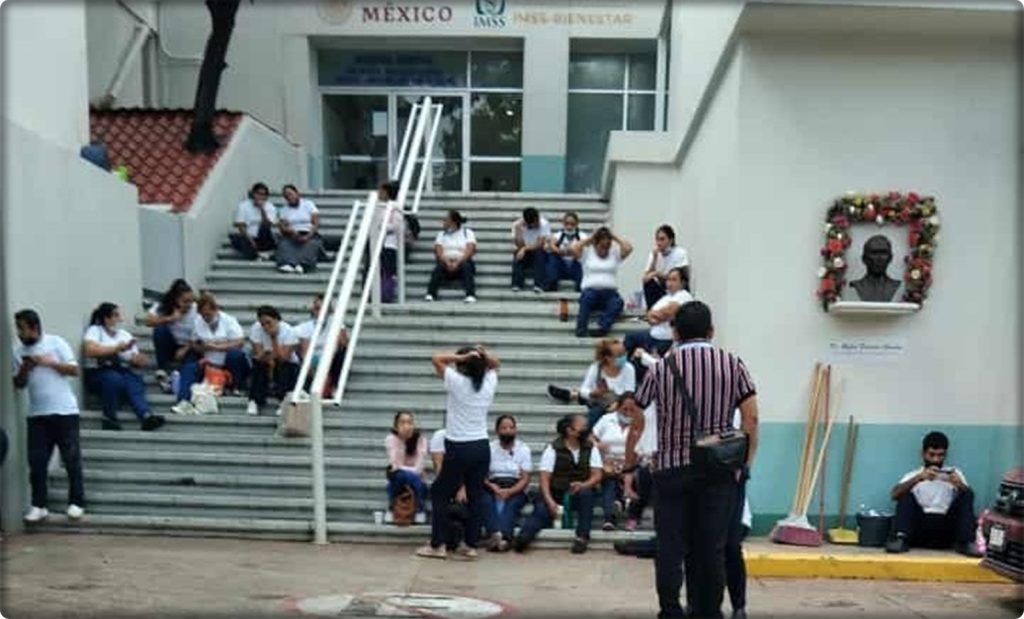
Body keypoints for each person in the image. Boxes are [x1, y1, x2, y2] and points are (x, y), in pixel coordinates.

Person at [629, 301, 760, 619]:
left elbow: (637, 416)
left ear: (675, 332)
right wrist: (744, 463)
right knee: (712, 547)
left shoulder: (661, 368)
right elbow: (751, 418)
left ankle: (671, 609)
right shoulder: (733, 364)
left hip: (671, 469)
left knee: (670, 547)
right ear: (711, 331)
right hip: (718, 470)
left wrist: (630, 464)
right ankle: (708, 610)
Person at [416, 346, 499, 560]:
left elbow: (436, 358)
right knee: (476, 496)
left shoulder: (457, 382)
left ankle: (438, 544)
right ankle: (470, 546)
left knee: (440, 493)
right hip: (481, 446)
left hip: (458, 446)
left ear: (462, 366)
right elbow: (496, 364)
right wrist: (483, 355)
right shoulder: (489, 382)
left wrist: (462, 356)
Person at [12, 309, 85, 523]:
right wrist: (25, 368)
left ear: (35, 328)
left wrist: (48, 362)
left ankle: (76, 502)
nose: (19, 333)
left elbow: (74, 370)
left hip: (65, 411)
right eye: (17, 329)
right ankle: (39, 505)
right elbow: (18, 384)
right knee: (37, 462)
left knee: (71, 458)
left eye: (22, 329)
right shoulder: (18, 351)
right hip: (37, 414)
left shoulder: (56, 343)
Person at [513, 414, 602, 554]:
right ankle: (523, 538)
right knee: (542, 511)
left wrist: (583, 485)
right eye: (583, 427)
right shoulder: (553, 448)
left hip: (579, 491)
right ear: (569, 430)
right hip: (555, 491)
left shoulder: (590, 448)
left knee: (587, 495)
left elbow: (597, 475)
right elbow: (544, 479)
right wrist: (550, 501)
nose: (586, 429)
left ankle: (582, 537)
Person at [886, 431, 980, 557]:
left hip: (946, 529)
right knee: (905, 494)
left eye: (940, 455)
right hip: (920, 528)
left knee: (967, 494)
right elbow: (894, 495)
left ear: (945, 455)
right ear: (923, 454)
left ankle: (966, 542)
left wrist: (959, 485)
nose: (936, 460)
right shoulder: (914, 475)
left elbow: (970, 497)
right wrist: (918, 479)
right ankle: (900, 539)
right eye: (931, 455)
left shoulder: (955, 474)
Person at [82, 303, 165, 431]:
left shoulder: (124, 334)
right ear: (106, 318)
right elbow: (90, 350)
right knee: (114, 379)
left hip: (120, 370)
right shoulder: (95, 330)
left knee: (133, 380)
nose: (120, 319)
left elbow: (134, 359)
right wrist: (117, 349)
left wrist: (138, 359)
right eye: (116, 316)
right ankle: (109, 418)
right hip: (98, 372)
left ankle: (146, 416)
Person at [172, 292, 249, 415]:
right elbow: (193, 342)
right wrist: (201, 348)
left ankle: (236, 386)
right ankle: (183, 401)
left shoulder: (228, 321)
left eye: (208, 314)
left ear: (215, 310)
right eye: (203, 315)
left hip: (228, 364)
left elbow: (240, 342)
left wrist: (217, 347)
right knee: (189, 368)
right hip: (209, 364)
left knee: (235, 354)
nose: (205, 318)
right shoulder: (198, 322)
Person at [547, 338, 636, 429]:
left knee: (596, 412)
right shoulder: (596, 368)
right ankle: (571, 395)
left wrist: (618, 404)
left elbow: (630, 392)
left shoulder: (628, 368)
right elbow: (584, 389)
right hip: (598, 400)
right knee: (594, 408)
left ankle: (571, 394)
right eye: (619, 355)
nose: (623, 357)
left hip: (618, 403)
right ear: (608, 358)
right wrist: (593, 393)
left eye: (624, 353)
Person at [625, 267, 694, 379]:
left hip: (665, 340)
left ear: (682, 283)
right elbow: (651, 316)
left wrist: (657, 315)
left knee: (642, 364)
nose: (669, 283)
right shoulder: (667, 297)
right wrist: (656, 316)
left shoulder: (684, 295)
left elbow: (668, 312)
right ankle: (625, 371)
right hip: (652, 334)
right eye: (668, 280)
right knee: (630, 338)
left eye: (674, 280)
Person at [570, 226, 633, 337]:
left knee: (618, 302)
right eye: (602, 246)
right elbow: (573, 248)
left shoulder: (614, 253)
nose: (605, 249)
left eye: (607, 246)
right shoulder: (587, 253)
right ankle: (581, 330)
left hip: (609, 294)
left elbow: (629, 248)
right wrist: (591, 238)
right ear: (595, 244)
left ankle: (602, 327)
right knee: (586, 298)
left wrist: (614, 237)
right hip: (591, 292)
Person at [481, 415, 532, 551]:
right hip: (493, 485)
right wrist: (493, 487)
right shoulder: (489, 448)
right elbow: (481, 475)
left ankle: (503, 538)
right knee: (485, 500)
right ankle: (496, 535)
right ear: (497, 430)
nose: (508, 431)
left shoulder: (523, 449)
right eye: (504, 428)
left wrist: (510, 491)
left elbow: (525, 478)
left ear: (515, 430)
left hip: (515, 486)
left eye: (511, 427)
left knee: (512, 504)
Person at [591, 402, 640, 531]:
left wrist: (628, 464)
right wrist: (598, 446)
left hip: (633, 463)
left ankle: (624, 510)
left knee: (635, 478)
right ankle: (610, 517)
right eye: (624, 409)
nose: (628, 412)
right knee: (609, 481)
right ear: (618, 408)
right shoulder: (606, 419)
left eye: (631, 409)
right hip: (608, 462)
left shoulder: (642, 421)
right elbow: (591, 437)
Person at [246, 305, 300, 416]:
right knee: (258, 365)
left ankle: (283, 400)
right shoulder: (256, 329)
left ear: (276, 320)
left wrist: (273, 338)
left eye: (268, 323)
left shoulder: (289, 331)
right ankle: (255, 400)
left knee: (284, 366)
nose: (265, 327)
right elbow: (258, 354)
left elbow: (283, 357)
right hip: (266, 361)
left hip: (286, 365)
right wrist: (266, 357)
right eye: (263, 324)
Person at [145, 279, 198, 390]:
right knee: (160, 330)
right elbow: (149, 321)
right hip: (170, 344)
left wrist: (186, 348)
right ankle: (162, 368)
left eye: (191, 301)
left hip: (189, 345)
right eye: (185, 301)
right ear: (176, 300)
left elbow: (201, 333)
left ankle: (179, 381)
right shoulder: (165, 305)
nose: (189, 305)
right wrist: (170, 318)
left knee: (191, 362)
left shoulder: (196, 309)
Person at [295, 294, 349, 397]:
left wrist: (338, 324)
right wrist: (311, 366)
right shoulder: (305, 327)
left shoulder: (335, 321)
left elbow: (343, 343)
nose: (319, 312)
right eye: (316, 308)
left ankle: (334, 386)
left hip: (330, 358)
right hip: (314, 359)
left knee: (342, 353)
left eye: (322, 309)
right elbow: (304, 352)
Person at [429, 428, 470, 548]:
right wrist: (457, 487)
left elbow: (472, 468)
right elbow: (439, 468)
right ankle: (439, 542)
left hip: (467, 482)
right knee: (438, 492)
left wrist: (464, 488)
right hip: (446, 480)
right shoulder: (440, 436)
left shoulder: (471, 436)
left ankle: (467, 541)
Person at [385, 411, 429, 524]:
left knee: (413, 478)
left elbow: (419, 468)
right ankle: (419, 510)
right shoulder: (391, 439)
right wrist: (401, 440)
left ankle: (417, 509)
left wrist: (405, 472)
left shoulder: (421, 440)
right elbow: (395, 465)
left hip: (418, 482)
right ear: (396, 426)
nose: (406, 426)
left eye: (410, 422)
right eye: (402, 423)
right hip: (398, 481)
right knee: (399, 476)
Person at [426, 210, 477, 303]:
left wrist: (457, 262)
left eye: (446, 220)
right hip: (446, 262)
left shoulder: (467, 233)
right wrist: (447, 262)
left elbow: (470, 250)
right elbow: (438, 250)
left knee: (467, 266)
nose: (444, 222)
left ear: (453, 222)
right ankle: (431, 294)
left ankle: (470, 294)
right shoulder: (441, 234)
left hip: (462, 262)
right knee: (438, 267)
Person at [276, 184, 323, 274]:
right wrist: (291, 231)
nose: (289, 197)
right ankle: (287, 263)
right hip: (292, 234)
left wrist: (308, 236)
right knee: (284, 244)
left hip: (308, 233)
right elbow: (282, 227)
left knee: (311, 244)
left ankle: (304, 264)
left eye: (290, 194)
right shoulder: (283, 210)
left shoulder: (308, 204)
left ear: (297, 193)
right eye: (286, 196)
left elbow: (316, 223)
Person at [642, 225, 690, 309]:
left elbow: (680, 277)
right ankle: (652, 310)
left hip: (677, 290)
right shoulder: (654, 254)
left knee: (675, 282)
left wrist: (657, 274)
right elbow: (645, 279)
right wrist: (654, 259)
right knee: (648, 283)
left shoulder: (680, 253)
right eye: (657, 239)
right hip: (663, 288)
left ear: (671, 240)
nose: (659, 243)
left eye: (662, 239)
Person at [229, 181, 277, 261]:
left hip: (263, 237)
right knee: (237, 240)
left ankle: (258, 254)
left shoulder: (270, 207)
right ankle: (260, 254)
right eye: (258, 194)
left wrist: (262, 209)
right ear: (253, 194)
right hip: (248, 237)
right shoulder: (243, 206)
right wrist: (251, 242)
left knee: (264, 228)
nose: (260, 197)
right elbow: (241, 226)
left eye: (263, 194)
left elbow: (267, 224)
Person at [540, 211, 586, 292]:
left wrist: (572, 251)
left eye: (572, 224)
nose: (569, 227)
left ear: (577, 224)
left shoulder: (582, 236)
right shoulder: (558, 235)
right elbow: (550, 245)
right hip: (561, 266)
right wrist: (558, 250)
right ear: (563, 223)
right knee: (552, 256)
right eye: (567, 224)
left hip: (575, 265)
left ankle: (580, 288)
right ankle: (551, 283)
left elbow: (580, 253)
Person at [374, 181, 404, 303]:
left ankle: (386, 295)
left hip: (389, 244)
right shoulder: (378, 206)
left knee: (387, 271)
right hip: (378, 243)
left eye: (381, 191)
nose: (379, 193)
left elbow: (396, 225)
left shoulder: (395, 208)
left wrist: (381, 227)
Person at [510, 207, 551, 293]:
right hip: (525, 251)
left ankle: (539, 284)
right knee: (517, 253)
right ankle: (517, 284)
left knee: (539, 253)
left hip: (538, 250)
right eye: (535, 222)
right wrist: (519, 231)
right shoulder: (517, 225)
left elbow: (540, 244)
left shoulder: (544, 223)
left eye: (537, 220)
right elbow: (519, 245)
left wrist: (524, 249)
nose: (538, 223)